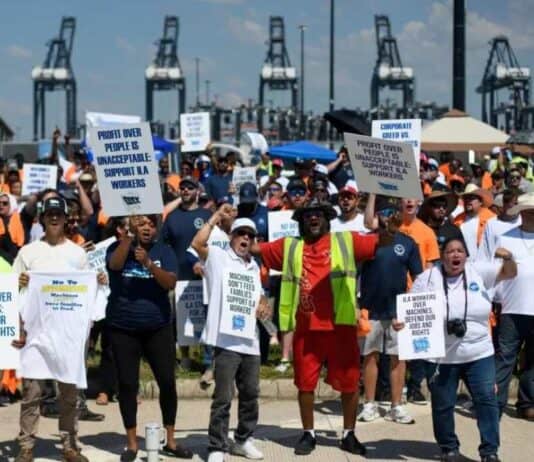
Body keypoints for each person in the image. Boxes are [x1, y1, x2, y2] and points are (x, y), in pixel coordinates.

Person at [256, 198, 379, 456]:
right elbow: (254, 250)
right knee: (305, 384)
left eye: (319, 214)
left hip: (341, 326)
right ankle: (308, 434)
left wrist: (389, 229)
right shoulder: (289, 246)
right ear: (301, 221)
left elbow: (380, 244)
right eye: (308, 215)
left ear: (327, 220)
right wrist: (229, 234)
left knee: (349, 383)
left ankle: (349, 434)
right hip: (305, 329)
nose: (313, 218)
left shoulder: (345, 241)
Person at [12, 196, 107, 462]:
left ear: (67, 219)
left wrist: (99, 281)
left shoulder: (78, 254)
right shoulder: (28, 252)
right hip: (36, 335)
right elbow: (9, 291)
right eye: (49, 214)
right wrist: (18, 284)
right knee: (31, 393)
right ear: (42, 218)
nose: (54, 218)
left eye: (59, 214)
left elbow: (89, 291)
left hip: (67, 336)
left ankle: (69, 444)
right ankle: (26, 446)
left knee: (69, 393)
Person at [409, 236, 517, 462]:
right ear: (442, 255)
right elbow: (412, 311)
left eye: (460, 251)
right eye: (450, 251)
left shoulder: (478, 271)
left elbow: (510, 273)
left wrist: (508, 257)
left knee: (487, 400)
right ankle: (448, 448)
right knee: (443, 405)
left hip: (479, 353)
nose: (455, 255)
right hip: (442, 356)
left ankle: (490, 451)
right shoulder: (427, 278)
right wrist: (403, 323)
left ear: (466, 255)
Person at [106, 215, 193, 461]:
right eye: (141, 223)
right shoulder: (117, 246)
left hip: (158, 328)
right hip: (123, 328)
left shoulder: (164, 250)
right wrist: (130, 240)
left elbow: (170, 283)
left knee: (167, 382)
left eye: (151, 224)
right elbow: (114, 265)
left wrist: (149, 265)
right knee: (127, 385)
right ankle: (132, 444)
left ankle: (171, 441)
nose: (147, 228)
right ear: (132, 226)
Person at [192, 212, 271, 462]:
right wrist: (215, 217)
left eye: (250, 235)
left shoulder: (254, 266)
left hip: (250, 342)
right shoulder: (218, 256)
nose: (246, 238)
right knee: (223, 397)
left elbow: (260, 296)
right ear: (232, 237)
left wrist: (263, 304)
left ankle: (243, 439)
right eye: (241, 234)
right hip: (226, 341)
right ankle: (217, 445)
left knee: (250, 395)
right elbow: (197, 244)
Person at [358, 197, 422, 425]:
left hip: (398, 312)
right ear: (378, 216)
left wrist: (411, 309)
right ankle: (369, 404)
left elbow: (419, 279)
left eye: (392, 212)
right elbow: (354, 275)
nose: (388, 216)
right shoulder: (367, 241)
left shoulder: (408, 243)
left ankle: (397, 406)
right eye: (383, 212)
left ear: (399, 215)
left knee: (398, 359)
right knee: (369, 357)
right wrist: (357, 306)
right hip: (370, 309)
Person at [162, 175, 212, 370]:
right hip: (179, 277)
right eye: (182, 188)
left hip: (204, 277)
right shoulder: (172, 218)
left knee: (205, 317)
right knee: (181, 318)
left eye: (189, 188)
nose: (185, 191)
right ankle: (185, 357)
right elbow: (164, 245)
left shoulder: (206, 216)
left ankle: (207, 359)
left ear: (197, 192)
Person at [494, 192, 534, 420]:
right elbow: (494, 272)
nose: (531, 214)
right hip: (511, 307)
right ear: (520, 213)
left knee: (533, 360)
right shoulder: (506, 236)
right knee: (505, 357)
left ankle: (527, 403)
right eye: (527, 210)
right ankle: (495, 404)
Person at [454, 185, 496, 261]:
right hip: (463, 265)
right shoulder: (457, 219)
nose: (468, 201)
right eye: (466, 198)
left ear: (480, 202)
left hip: (485, 264)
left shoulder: (492, 218)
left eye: (472, 198)